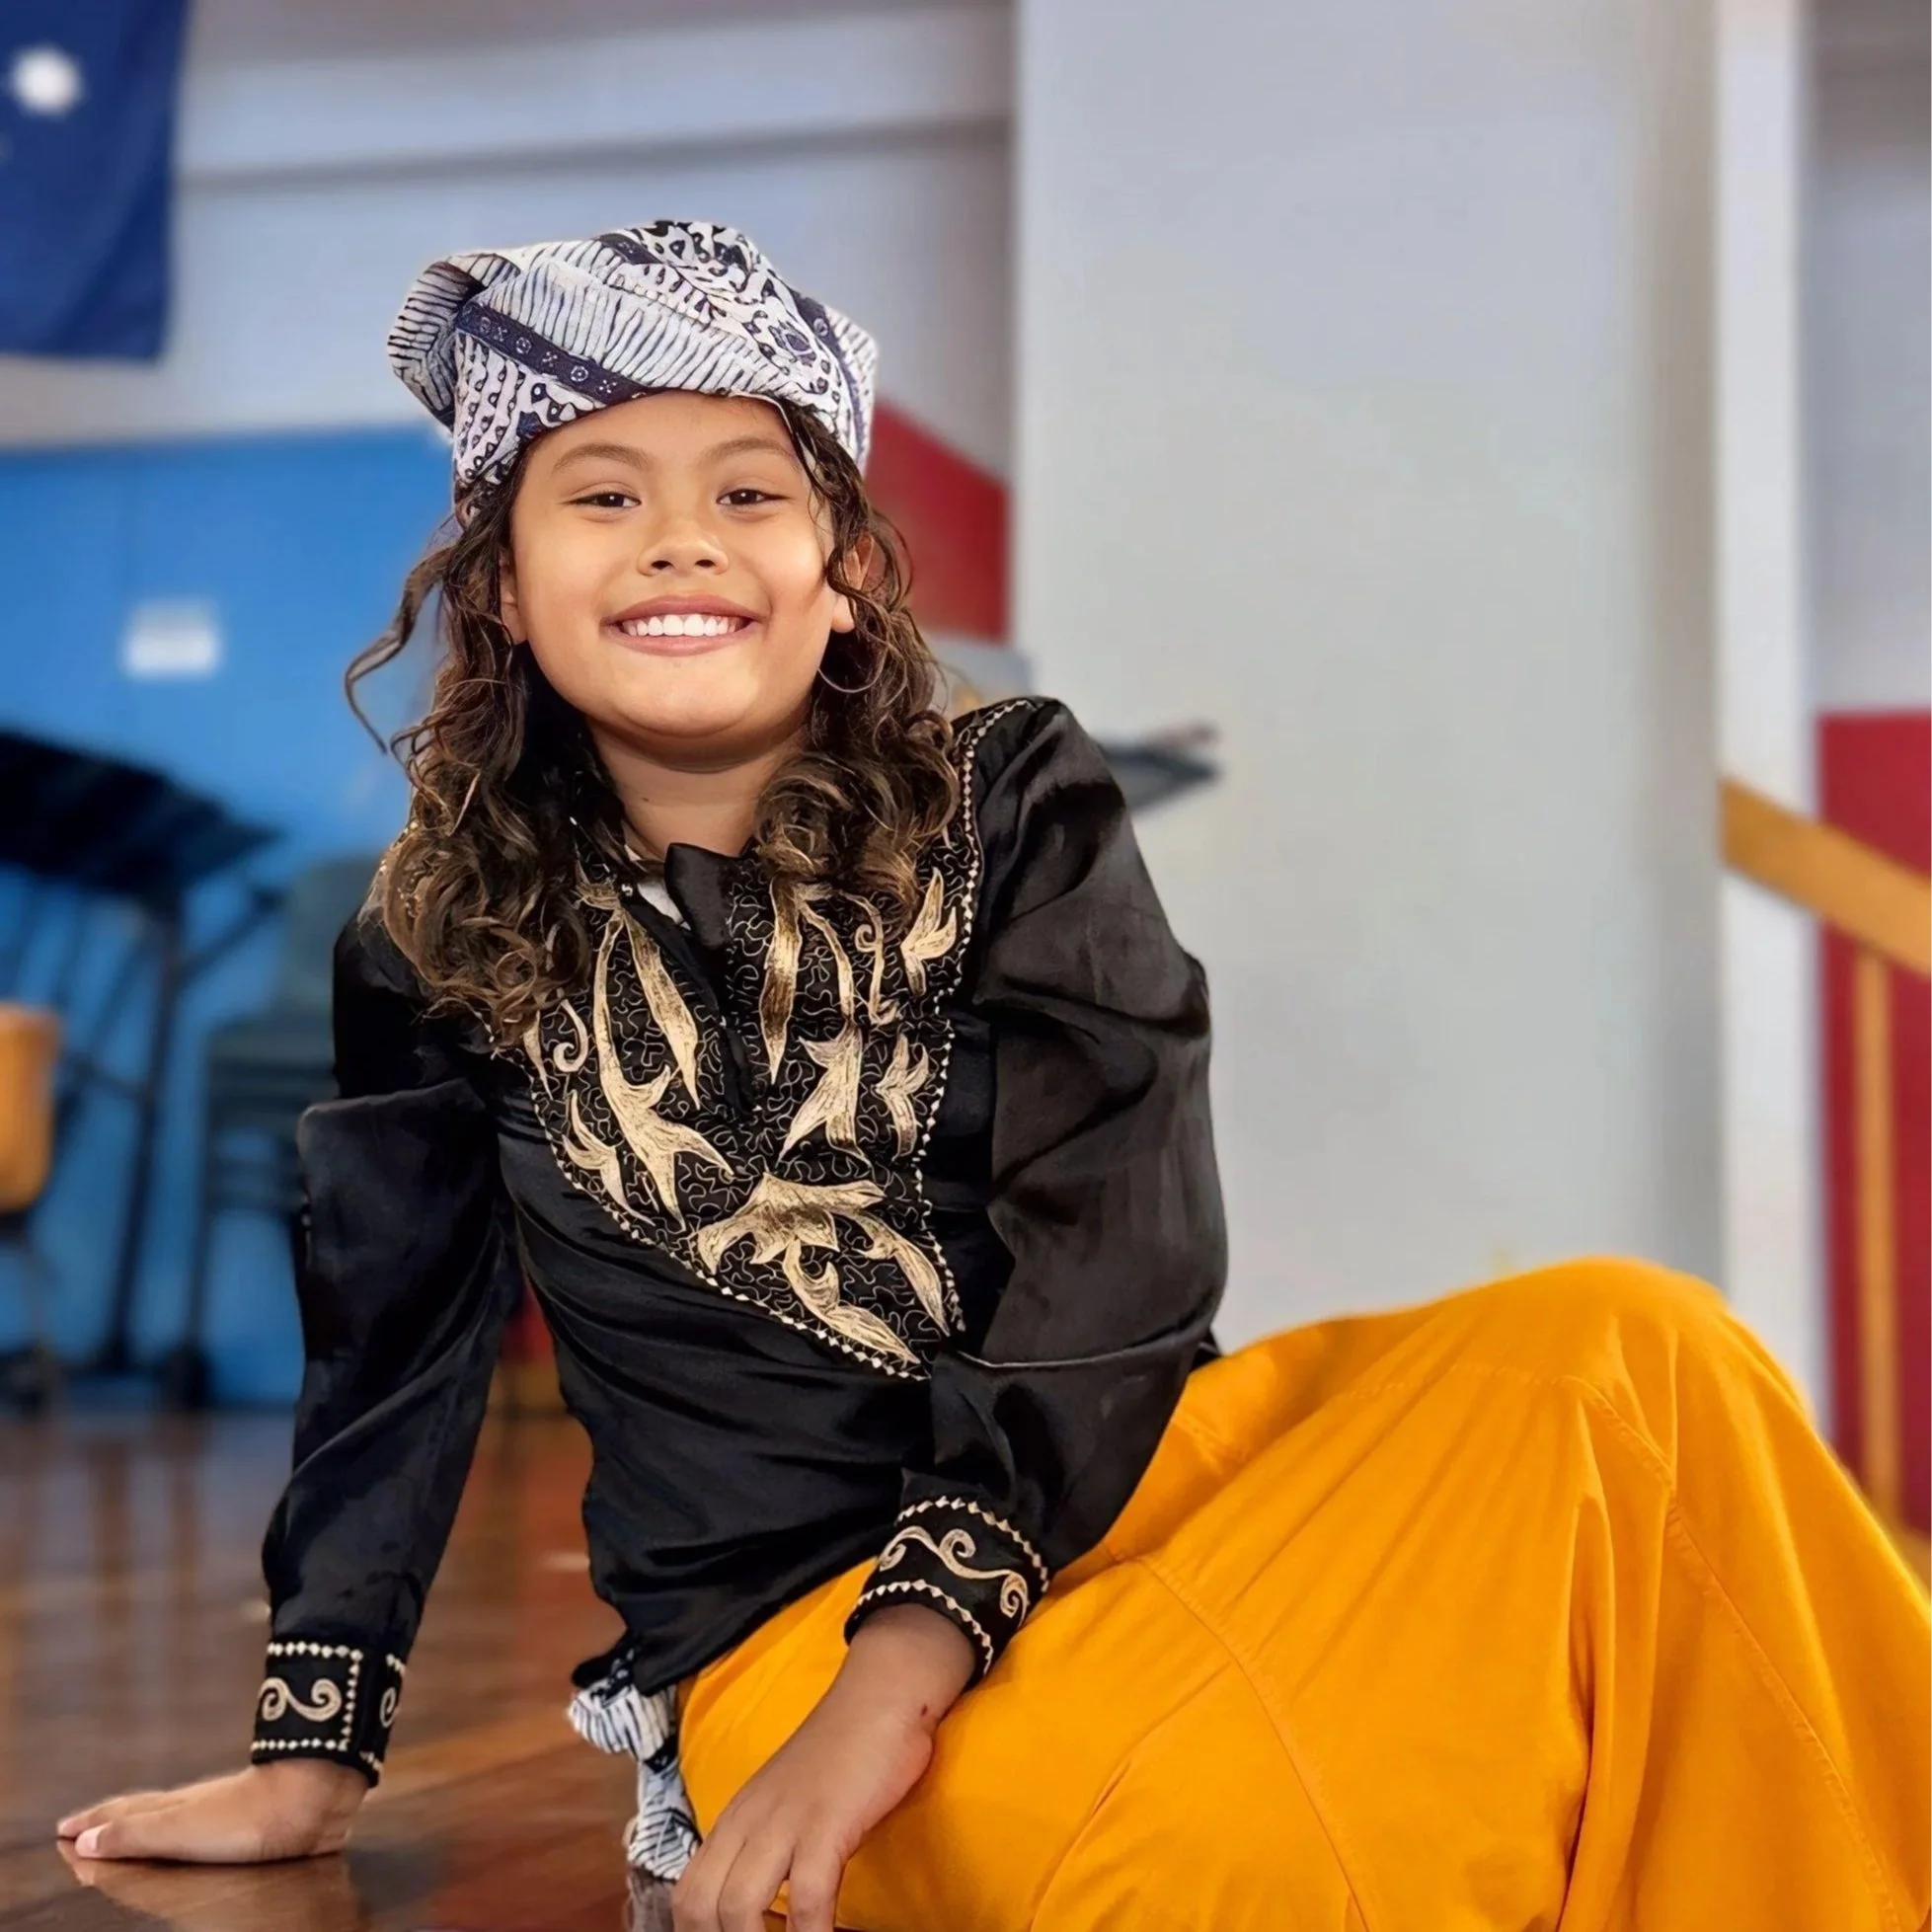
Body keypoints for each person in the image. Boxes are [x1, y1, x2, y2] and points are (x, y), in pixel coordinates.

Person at [56, 223, 1928, 1932]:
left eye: (750, 492)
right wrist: (311, 1762)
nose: (681, 537)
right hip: (783, 1627)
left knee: (1637, 1351)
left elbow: (1119, 1234)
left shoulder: (1016, 796)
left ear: (845, 578)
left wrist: (912, 1679)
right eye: (601, 494)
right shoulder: (432, 934)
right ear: (505, 590)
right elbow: (392, 1360)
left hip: (1141, 1506)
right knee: (1226, 1831)